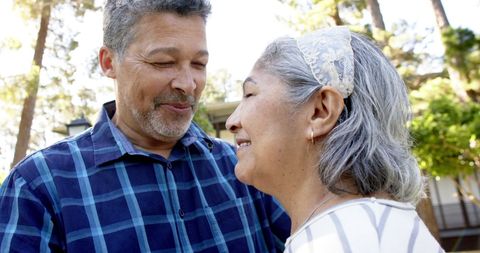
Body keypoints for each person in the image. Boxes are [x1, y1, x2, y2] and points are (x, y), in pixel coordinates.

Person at [0, 0, 290, 252]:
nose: (188, 84)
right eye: (163, 62)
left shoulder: (242, 169)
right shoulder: (39, 186)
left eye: (199, 64)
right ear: (108, 62)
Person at [226, 26, 444, 252]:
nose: (231, 122)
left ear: (321, 111)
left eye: (250, 94)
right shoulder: (377, 227)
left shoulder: (339, 241)